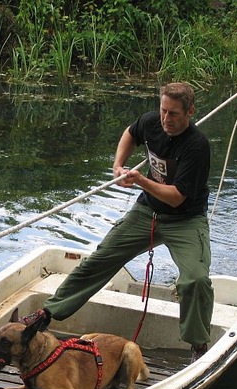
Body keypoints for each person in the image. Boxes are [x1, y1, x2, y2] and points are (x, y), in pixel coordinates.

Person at [21, 82, 214, 363]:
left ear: (190, 112)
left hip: (185, 218)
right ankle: (48, 313)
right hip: (147, 212)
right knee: (101, 259)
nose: (166, 119)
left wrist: (140, 180)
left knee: (195, 280)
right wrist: (118, 165)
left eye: (173, 114)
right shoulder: (151, 122)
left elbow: (176, 198)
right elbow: (130, 133)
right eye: (163, 111)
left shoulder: (197, 147)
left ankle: (198, 346)